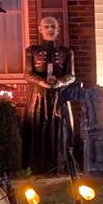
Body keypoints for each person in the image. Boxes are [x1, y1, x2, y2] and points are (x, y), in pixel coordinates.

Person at [23, 15, 76, 172]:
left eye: (53, 27)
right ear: (40, 29)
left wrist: (58, 83)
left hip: (60, 97)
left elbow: (71, 75)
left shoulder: (67, 52)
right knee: (38, 128)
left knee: (60, 128)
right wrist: (42, 83)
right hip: (38, 97)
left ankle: (60, 166)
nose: (50, 30)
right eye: (46, 26)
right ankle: (37, 166)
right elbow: (27, 74)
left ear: (58, 30)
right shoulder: (31, 51)